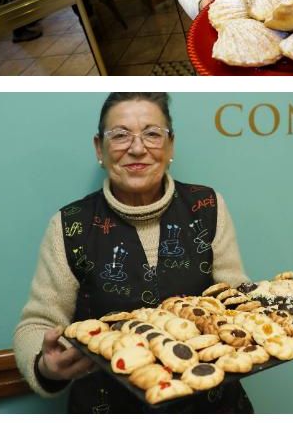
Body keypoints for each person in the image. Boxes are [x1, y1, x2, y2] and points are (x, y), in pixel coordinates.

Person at [14, 93, 251, 413]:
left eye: (152, 134)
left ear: (170, 146)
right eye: (120, 135)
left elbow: (234, 298)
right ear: (99, 148)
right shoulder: (69, 225)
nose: (137, 148)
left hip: (208, 403)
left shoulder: (206, 206)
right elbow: (37, 324)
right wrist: (46, 367)